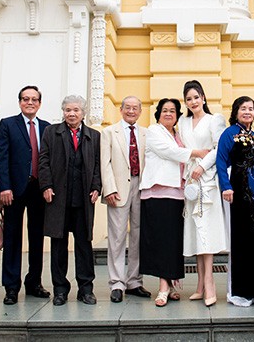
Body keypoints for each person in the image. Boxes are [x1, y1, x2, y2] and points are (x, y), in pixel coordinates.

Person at [140, 98, 208, 307]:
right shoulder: (154, 131)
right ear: (158, 114)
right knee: (161, 241)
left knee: (172, 242)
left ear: (177, 115)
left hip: (178, 193)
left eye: (172, 111)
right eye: (164, 110)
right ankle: (162, 287)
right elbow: (169, 152)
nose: (168, 113)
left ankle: (170, 285)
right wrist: (197, 153)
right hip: (157, 192)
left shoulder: (178, 135)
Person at [38, 95, 102, 306]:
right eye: (67, 110)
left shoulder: (93, 135)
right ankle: (60, 289)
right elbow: (43, 160)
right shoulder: (51, 132)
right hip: (59, 198)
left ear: (83, 113)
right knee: (59, 245)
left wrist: (96, 187)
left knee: (84, 245)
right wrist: (46, 185)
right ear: (63, 112)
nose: (71, 114)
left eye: (75, 110)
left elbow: (97, 165)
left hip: (83, 198)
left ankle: (86, 289)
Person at [0, 85, 51, 305]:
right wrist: (5, 187)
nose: (30, 102)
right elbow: (2, 157)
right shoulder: (8, 124)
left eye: (34, 99)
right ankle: (11, 287)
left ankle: (34, 283)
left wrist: (48, 186)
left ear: (39, 103)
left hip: (38, 190)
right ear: (20, 102)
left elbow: (47, 160)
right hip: (14, 190)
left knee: (37, 238)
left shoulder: (47, 127)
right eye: (26, 99)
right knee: (12, 238)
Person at [178, 80, 227, 307]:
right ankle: (199, 285)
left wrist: (202, 165)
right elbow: (182, 149)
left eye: (196, 97)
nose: (193, 102)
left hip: (206, 180)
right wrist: (192, 161)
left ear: (203, 98)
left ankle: (210, 284)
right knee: (196, 233)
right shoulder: (182, 121)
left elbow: (219, 148)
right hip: (190, 182)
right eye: (189, 99)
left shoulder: (214, 119)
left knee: (207, 232)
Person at [216, 96, 254, 307]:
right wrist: (226, 187)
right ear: (236, 112)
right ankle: (239, 292)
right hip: (237, 194)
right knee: (240, 242)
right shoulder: (229, 134)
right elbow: (220, 161)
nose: (247, 112)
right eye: (243, 108)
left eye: (251, 109)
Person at [99, 96, 151, 303]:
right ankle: (117, 283)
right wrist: (109, 189)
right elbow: (105, 163)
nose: (131, 111)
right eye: (127, 107)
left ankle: (134, 281)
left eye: (135, 108)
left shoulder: (146, 133)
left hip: (141, 187)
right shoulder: (109, 132)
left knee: (138, 237)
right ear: (121, 110)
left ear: (140, 112)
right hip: (118, 190)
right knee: (117, 237)